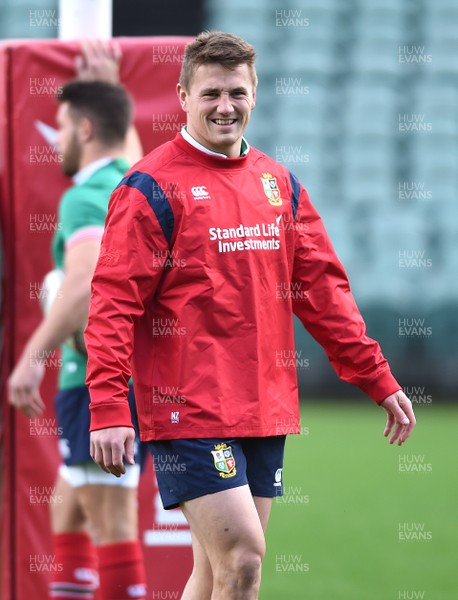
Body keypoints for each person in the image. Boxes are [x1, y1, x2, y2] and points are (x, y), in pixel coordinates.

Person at [85, 31, 416, 600]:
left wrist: (377, 377)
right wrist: (110, 406)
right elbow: (112, 304)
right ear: (183, 95)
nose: (225, 106)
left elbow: (323, 293)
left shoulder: (279, 184)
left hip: (264, 403)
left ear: (255, 93)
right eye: (211, 92)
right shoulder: (148, 189)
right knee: (243, 558)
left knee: (219, 573)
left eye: (237, 92)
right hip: (186, 406)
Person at [8, 43, 147, 600]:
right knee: (69, 515)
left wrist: (29, 355)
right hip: (124, 378)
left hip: (95, 383)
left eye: (63, 125)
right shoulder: (133, 176)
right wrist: (116, 91)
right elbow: (126, 147)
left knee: (113, 528)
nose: (57, 138)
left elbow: (88, 284)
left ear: (84, 129)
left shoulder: (85, 195)